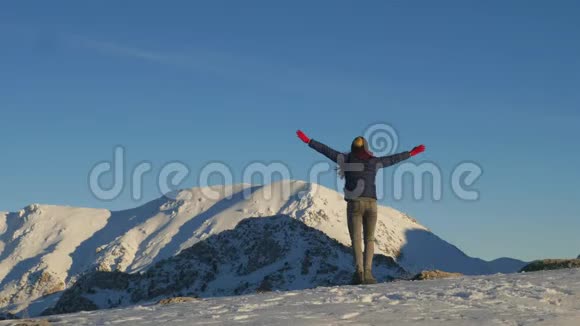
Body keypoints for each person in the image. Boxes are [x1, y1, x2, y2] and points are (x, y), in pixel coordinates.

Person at [296, 130, 425, 284]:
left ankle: (359, 273)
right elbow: (392, 159)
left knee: (356, 239)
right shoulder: (373, 161)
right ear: (366, 147)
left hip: (354, 204)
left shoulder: (345, 159)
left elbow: (326, 150)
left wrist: (309, 141)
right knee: (369, 239)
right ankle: (369, 274)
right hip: (371, 204)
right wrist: (411, 153)